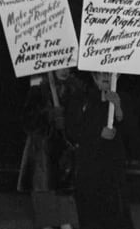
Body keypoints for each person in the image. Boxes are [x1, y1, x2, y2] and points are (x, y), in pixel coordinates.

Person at [66, 71, 134, 229]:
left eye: (110, 73)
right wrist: (98, 133)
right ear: (93, 76)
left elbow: (131, 133)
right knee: (91, 216)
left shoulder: (123, 98)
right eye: (100, 73)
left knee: (117, 216)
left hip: (113, 172)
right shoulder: (81, 98)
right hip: (89, 170)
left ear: (117, 76)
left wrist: (118, 108)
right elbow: (72, 131)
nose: (105, 76)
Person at [18, 67, 81, 229]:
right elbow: (27, 122)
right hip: (42, 161)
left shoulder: (76, 90)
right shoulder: (37, 92)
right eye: (60, 66)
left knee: (66, 218)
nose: (64, 70)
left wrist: (67, 122)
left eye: (67, 65)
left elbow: (80, 125)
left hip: (65, 162)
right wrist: (48, 115)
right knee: (46, 215)